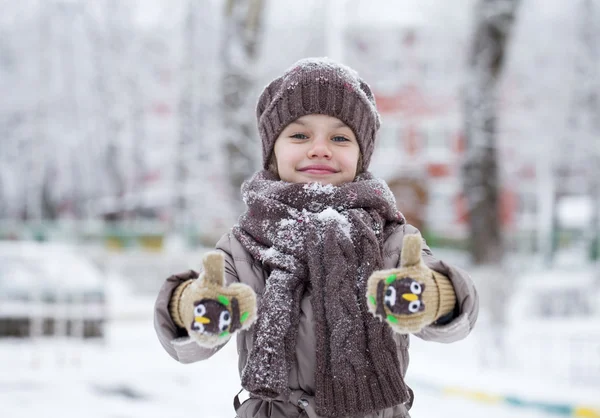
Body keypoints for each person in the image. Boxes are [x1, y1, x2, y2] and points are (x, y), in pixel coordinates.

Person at [154, 57, 479, 418]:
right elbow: (191, 337)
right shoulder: (245, 244)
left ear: (362, 155)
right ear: (273, 152)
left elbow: (455, 316)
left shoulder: (391, 239)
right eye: (300, 135)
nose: (320, 148)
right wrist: (195, 306)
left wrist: (433, 296)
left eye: (340, 137)